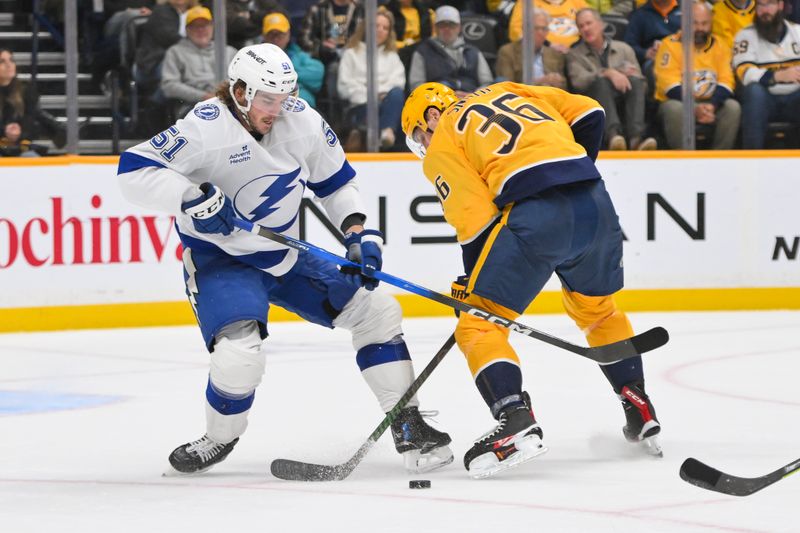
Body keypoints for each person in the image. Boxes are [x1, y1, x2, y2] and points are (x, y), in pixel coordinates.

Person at [116, 43, 453, 475]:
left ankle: (408, 423)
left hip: (285, 254)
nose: (277, 109)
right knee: (239, 357)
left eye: (283, 97)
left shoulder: (303, 120)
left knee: (378, 313)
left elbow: (336, 184)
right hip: (223, 259)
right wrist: (191, 196)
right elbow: (134, 172)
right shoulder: (205, 127)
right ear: (239, 91)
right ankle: (218, 438)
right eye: (267, 99)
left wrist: (357, 233)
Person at [401, 82, 662, 478]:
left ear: (432, 116)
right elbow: (591, 112)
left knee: (478, 323)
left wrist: (473, 286)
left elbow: (476, 224)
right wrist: (572, 171)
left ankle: (514, 418)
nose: (424, 143)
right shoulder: (507, 89)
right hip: (595, 202)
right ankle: (637, 403)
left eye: (421, 134)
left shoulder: (443, 141)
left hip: (537, 216)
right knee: (597, 311)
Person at [567, 8, 657, 150]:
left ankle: (636, 138)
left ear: (601, 24)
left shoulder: (624, 49)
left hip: (625, 95)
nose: (586, 29)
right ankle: (613, 137)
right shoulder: (574, 54)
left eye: (589, 23)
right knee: (601, 83)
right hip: (593, 101)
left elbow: (643, 84)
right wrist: (607, 72)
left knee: (635, 81)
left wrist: (629, 76)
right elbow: (578, 82)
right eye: (581, 26)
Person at [655, 2, 740, 149]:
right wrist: (694, 108)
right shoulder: (669, 45)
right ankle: (684, 160)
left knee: (733, 107)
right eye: (694, 23)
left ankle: (720, 160)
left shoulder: (721, 45)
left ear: (711, 22)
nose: (700, 28)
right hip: (679, 102)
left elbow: (727, 81)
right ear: (684, 22)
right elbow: (669, 85)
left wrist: (712, 106)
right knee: (674, 109)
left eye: (704, 23)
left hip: (711, 103)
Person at [337, 8, 407, 150]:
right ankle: (384, 132)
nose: (380, 30)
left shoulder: (392, 56)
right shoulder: (351, 53)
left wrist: (382, 95)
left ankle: (387, 132)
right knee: (379, 110)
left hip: (388, 104)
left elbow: (398, 82)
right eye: (376, 25)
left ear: (389, 33)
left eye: (385, 28)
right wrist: (375, 96)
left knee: (397, 94)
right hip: (361, 106)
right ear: (366, 27)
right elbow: (344, 87)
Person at [733, 0, 800, 148]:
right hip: (765, 99)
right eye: (760, 5)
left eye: (769, 4)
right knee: (753, 91)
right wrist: (776, 76)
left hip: (794, 98)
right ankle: (752, 160)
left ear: (780, 5)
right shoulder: (745, 36)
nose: (764, 11)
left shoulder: (798, 32)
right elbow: (744, 72)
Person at [161, 6, 238, 117]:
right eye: (195, 26)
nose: (201, 30)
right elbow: (169, 85)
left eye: (204, 25)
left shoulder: (229, 51)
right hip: (192, 105)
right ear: (187, 30)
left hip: (229, 102)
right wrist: (204, 96)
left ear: (212, 27)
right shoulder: (175, 52)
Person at [408, 5, 494, 97]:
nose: (447, 29)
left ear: (459, 27)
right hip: (437, 103)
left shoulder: (473, 51)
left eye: (451, 25)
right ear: (435, 28)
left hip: (472, 101)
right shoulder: (422, 51)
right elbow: (416, 86)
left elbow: (487, 83)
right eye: (442, 25)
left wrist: (473, 96)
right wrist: (441, 97)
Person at [262, 12, 325, 109]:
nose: (276, 39)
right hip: (267, 105)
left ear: (288, 35)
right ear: (264, 36)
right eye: (271, 35)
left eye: (280, 34)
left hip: (302, 105)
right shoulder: (256, 56)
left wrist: (283, 73)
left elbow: (317, 75)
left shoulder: (298, 55)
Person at [495, 8, 567, 89]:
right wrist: (540, 81)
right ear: (524, 29)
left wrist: (558, 81)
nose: (540, 33)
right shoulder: (507, 52)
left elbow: (565, 86)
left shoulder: (554, 54)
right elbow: (506, 87)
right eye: (535, 28)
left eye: (544, 29)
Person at [508, 0, 589, 52]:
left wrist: (577, 46)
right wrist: (547, 45)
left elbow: (593, 24)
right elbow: (515, 32)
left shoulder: (577, 2)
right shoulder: (526, 3)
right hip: (542, 53)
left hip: (579, 51)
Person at [624, 0, 682, 68]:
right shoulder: (639, 14)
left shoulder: (688, 9)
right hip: (655, 61)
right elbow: (628, 46)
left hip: (686, 56)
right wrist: (646, 53)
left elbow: (696, 36)